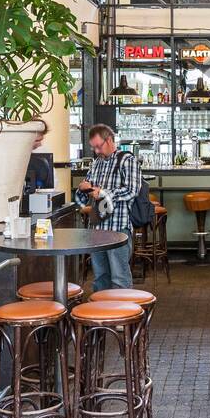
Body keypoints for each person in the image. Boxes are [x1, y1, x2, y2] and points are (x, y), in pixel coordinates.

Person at [76, 123, 142, 292]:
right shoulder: (96, 163)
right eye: (94, 148)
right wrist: (84, 189)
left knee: (120, 278)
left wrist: (104, 193)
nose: (97, 151)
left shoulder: (127, 160)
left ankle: (124, 315)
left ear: (110, 140)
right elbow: (83, 198)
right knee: (100, 278)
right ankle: (101, 315)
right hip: (97, 227)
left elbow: (132, 190)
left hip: (118, 228)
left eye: (98, 146)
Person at [21, 119, 55, 198]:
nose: (40, 144)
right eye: (37, 141)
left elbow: (51, 182)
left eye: (41, 140)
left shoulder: (43, 153)